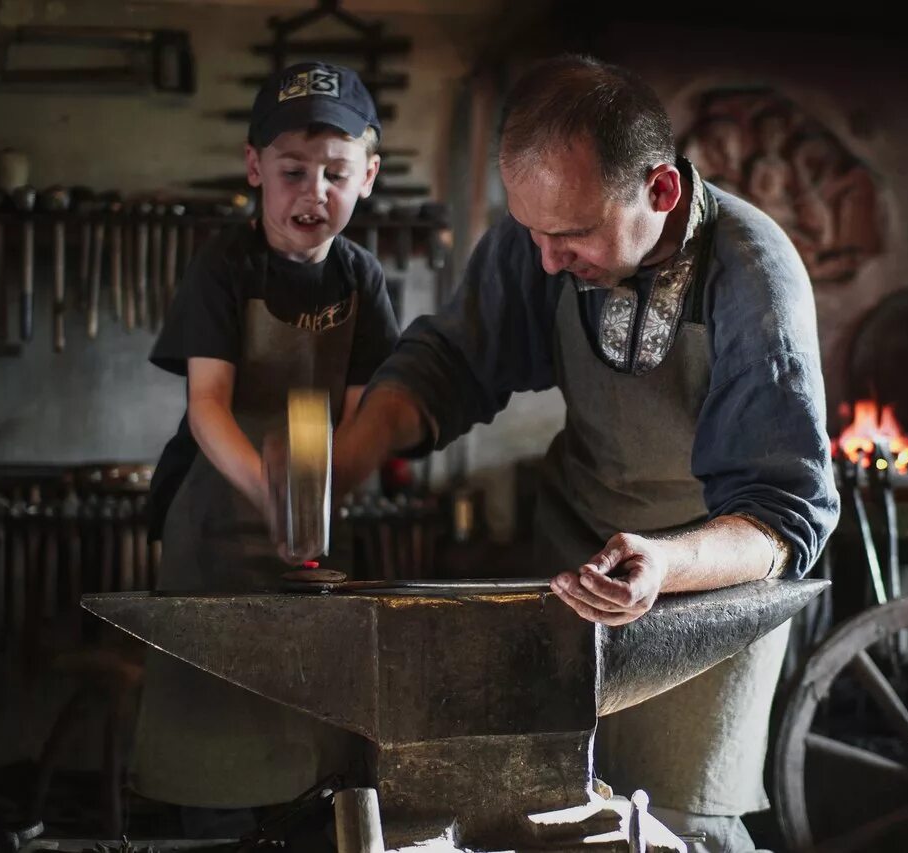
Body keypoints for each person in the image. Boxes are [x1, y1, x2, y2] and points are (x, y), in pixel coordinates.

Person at [329, 55, 839, 853]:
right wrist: (349, 454)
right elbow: (454, 362)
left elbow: (781, 520)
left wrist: (664, 565)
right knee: (553, 813)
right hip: (578, 564)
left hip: (713, 588)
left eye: (569, 235)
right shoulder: (546, 235)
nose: (545, 260)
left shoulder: (754, 281)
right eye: (533, 232)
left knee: (682, 826)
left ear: (660, 191)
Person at [135, 61, 399, 830]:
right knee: (211, 738)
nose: (313, 192)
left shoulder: (362, 279)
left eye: (336, 173)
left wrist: (319, 501)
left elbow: (363, 417)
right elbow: (208, 406)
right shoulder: (225, 267)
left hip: (310, 531)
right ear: (255, 168)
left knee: (307, 740)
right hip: (215, 520)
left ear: (369, 177)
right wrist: (270, 492)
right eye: (292, 171)